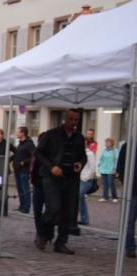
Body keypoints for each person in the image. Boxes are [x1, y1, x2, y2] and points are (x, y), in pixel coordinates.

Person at [33, 108, 86, 254]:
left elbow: (83, 156)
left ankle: (61, 242)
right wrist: (51, 167)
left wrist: (80, 164)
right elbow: (38, 153)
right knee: (53, 208)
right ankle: (43, 234)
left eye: (76, 120)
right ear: (65, 118)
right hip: (52, 178)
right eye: (71, 119)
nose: (74, 122)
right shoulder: (52, 134)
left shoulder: (79, 138)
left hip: (71, 178)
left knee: (68, 211)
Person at [12, 126, 35, 214]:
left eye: (18, 132)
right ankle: (21, 206)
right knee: (20, 189)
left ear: (23, 133)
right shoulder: (20, 144)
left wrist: (24, 162)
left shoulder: (29, 144)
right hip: (17, 170)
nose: (16, 134)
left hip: (24, 170)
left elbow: (34, 156)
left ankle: (26, 207)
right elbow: (17, 155)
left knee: (25, 189)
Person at [78, 144, 98, 227]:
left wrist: (85, 177)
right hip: (78, 179)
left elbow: (92, 167)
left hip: (86, 180)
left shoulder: (89, 154)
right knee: (78, 198)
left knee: (80, 195)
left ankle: (84, 218)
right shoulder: (79, 153)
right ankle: (82, 218)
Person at [99, 138, 119, 202]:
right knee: (105, 184)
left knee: (111, 183)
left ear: (112, 143)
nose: (106, 143)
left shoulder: (115, 150)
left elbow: (116, 160)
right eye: (106, 142)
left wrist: (115, 168)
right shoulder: (104, 150)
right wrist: (99, 165)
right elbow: (101, 159)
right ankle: (105, 197)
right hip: (103, 169)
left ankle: (114, 197)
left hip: (111, 169)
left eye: (108, 142)